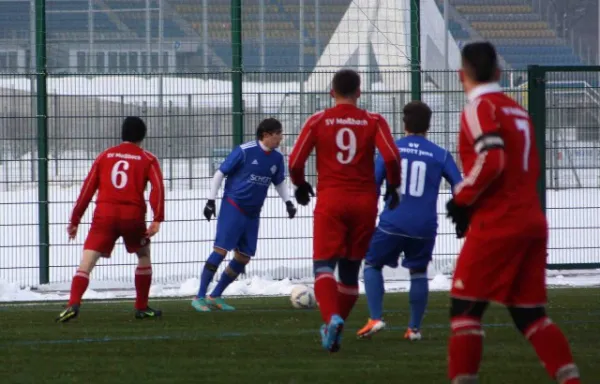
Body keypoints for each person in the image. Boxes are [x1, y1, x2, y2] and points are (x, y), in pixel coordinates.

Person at [445, 41, 580, 383]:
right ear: (499, 73)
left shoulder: (479, 106)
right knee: (530, 316)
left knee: (465, 309)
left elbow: (492, 158)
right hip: (531, 221)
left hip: (498, 222)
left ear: (462, 75)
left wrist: (462, 197)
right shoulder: (519, 112)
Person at [288, 69, 402, 353]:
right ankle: (334, 325)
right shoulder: (374, 121)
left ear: (332, 92)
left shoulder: (318, 120)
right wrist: (394, 186)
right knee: (350, 272)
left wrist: (301, 185)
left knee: (324, 266)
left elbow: (294, 161)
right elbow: (391, 156)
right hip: (364, 203)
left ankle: (331, 320)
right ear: (359, 92)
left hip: (332, 201)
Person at [357, 101, 462, 341]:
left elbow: (372, 185)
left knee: (372, 264)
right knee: (418, 271)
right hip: (424, 227)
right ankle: (414, 328)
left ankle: (376, 317)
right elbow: (459, 186)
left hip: (392, 222)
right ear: (429, 125)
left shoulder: (391, 149)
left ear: (404, 123)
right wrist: (462, 217)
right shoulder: (440, 154)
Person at [56, 116, 165, 323]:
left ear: (122, 134)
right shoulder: (147, 158)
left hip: (104, 215)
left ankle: (73, 303)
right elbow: (157, 189)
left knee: (87, 261)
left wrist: (75, 219)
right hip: (132, 217)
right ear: (143, 136)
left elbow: (87, 189)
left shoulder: (105, 156)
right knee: (143, 254)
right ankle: (141, 307)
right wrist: (157, 219)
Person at [192, 118, 297, 312]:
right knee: (221, 250)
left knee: (243, 257)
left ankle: (215, 295)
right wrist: (210, 200)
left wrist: (288, 202)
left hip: (253, 213)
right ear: (266, 135)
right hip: (233, 207)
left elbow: (279, 182)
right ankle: (199, 296)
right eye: (278, 134)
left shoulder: (276, 158)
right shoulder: (244, 151)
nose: (281, 138)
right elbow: (219, 173)